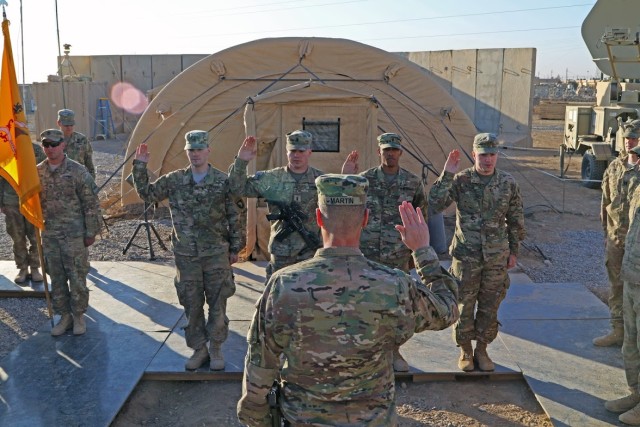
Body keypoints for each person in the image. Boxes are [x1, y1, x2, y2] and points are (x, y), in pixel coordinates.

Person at [237, 174, 459, 426]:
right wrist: (422, 251)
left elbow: (260, 364)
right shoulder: (394, 285)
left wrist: (255, 415)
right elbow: (447, 309)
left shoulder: (283, 285)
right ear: (365, 219)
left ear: (318, 217)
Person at [132, 130, 244, 371]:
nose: (195, 154)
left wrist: (236, 247)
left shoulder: (222, 181)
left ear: (208, 151)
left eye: (199, 149)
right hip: (186, 256)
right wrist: (140, 166)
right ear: (187, 152)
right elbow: (147, 194)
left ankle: (215, 347)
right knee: (191, 304)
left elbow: (234, 216)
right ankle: (199, 348)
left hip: (216, 253)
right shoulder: (175, 180)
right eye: (191, 150)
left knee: (217, 303)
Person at [429, 132, 525, 372]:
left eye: (492, 155)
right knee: (464, 304)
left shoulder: (507, 183)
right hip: (466, 257)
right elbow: (435, 205)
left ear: (497, 156)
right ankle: (465, 350)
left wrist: (514, 251)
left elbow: (516, 221)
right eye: (483, 155)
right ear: (474, 155)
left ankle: (482, 349)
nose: (488, 160)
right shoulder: (461, 181)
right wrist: (447, 173)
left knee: (490, 304)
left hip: (495, 257)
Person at [341, 132, 429, 372]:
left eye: (394, 150)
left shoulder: (412, 183)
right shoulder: (363, 181)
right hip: (366, 255)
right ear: (379, 151)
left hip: (396, 255)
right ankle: (362, 352)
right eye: (386, 150)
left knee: (395, 306)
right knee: (361, 302)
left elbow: (422, 218)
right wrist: (345, 178)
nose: (390, 154)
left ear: (400, 152)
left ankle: (393, 350)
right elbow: (344, 209)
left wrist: (415, 254)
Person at [228, 130, 324, 281]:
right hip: (281, 251)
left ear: (309, 152)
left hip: (310, 250)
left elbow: (336, 208)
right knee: (276, 296)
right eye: (292, 151)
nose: (296, 155)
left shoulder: (320, 180)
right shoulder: (272, 178)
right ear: (287, 152)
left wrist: (346, 176)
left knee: (309, 297)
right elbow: (237, 188)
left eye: (301, 151)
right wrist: (241, 162)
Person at [37, 129, 101, 336]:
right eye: (46, 144)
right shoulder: (37, 172)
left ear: (63, 145)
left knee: (77, 277)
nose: (50, 148)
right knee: (56, 277)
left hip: (74, 236)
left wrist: (91, 232)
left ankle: (79, 316)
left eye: (54, 144)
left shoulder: (77, 171)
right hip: (50, 235)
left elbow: (91, 204)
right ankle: (64, 316)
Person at [605, 144, 640, 425]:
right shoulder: (636, 188)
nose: (636, 162)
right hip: (632, 276)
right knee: (631, 344)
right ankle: (636, 394)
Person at [596, 125, 640, 347]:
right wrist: (606, 233)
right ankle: (618, 330)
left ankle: (634, 338)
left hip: (637, 244)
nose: (628, 142)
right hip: (615, 239)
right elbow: (605, 203)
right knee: (616, 286)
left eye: (634, 138)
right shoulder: (614, 168)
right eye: (626, 138)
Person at [0, 142, 46, 284]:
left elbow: (43, 174)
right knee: (17, 237)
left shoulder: (36, 149)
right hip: (11, 200)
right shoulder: (5, 149)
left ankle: (35, 267)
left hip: (31, 199)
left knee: (35, 237)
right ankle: (23, 268)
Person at [57, 109, 96, 179]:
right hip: (59, 183)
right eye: (66, 125)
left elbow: (89, 164)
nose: (69, 127)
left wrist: (92, 182)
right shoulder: (52, 141)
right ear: (59, 123)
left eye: (71, 124)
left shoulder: (82, 140)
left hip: (79, 182)